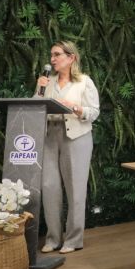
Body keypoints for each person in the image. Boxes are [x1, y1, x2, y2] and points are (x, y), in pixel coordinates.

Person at [35, 41, 100, 254]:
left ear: (71, 57)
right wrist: (39, 90)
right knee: (49, 187)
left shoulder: (84, 82)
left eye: (57, 54)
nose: (52, 59)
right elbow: (35, 107)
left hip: (76, 136)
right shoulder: (46, 81)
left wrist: (75, 107)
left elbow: (94, 112)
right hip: (49, 136)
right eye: (51, 55)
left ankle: (73, 240)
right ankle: (53, 239)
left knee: (75, 189)